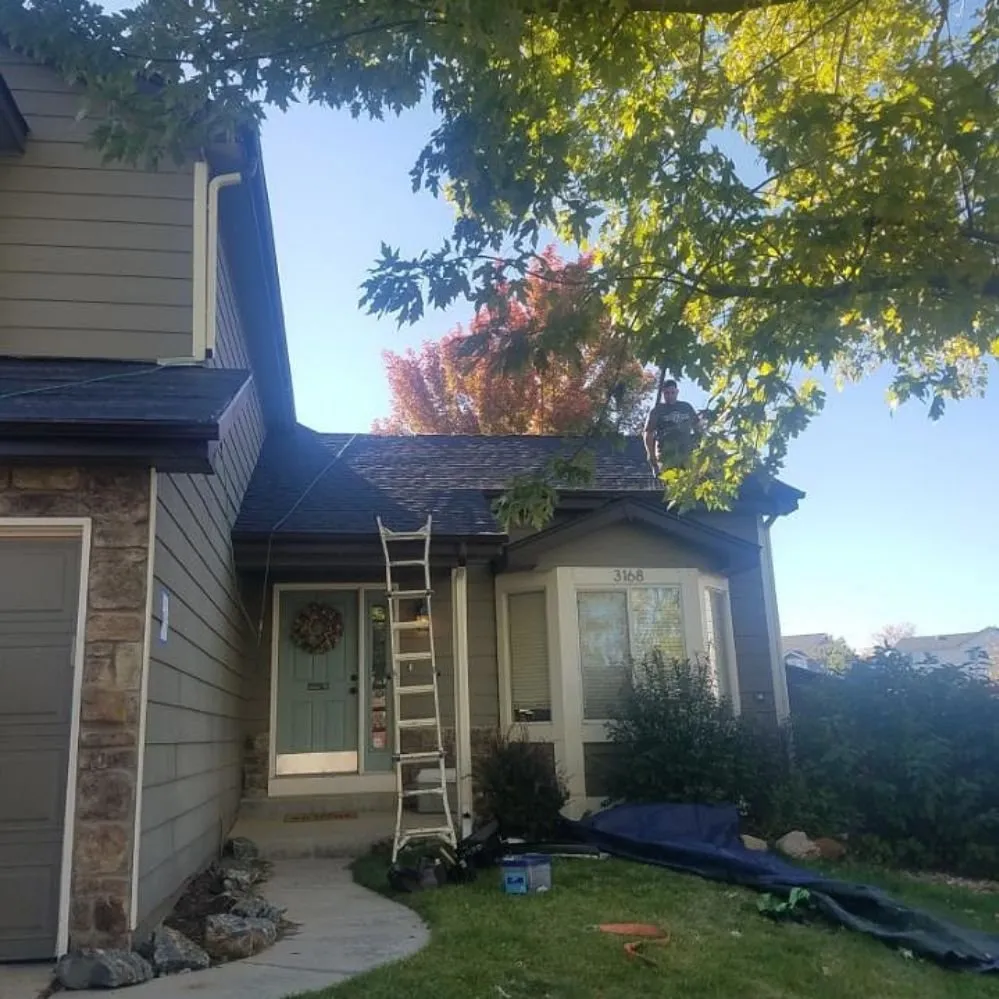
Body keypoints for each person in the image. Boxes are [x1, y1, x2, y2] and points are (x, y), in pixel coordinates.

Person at [644, 379, 700, 475]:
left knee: (687, 481)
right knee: (669, 481)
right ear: (663, 393)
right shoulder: (657, 410)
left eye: (672, 393)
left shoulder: (686, 407)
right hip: (666, 455)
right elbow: (648, 434)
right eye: (667, 393)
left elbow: (698, 429)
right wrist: (652, 458)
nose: (670, 396)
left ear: (677, 392)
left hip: (685, 453)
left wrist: (698, 448)